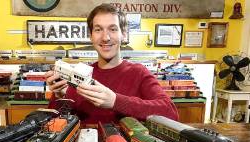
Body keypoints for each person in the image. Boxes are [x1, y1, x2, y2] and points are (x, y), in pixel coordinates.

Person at [46, 3, 178, 124]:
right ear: (91, 36)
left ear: (124, 34)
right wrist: (59, 96)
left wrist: (115, 101)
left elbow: (171, 113)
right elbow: (54, 123)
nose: (105, 37)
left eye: (113, 29)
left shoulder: (138, 72)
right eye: (98, 30)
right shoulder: (79, 75)